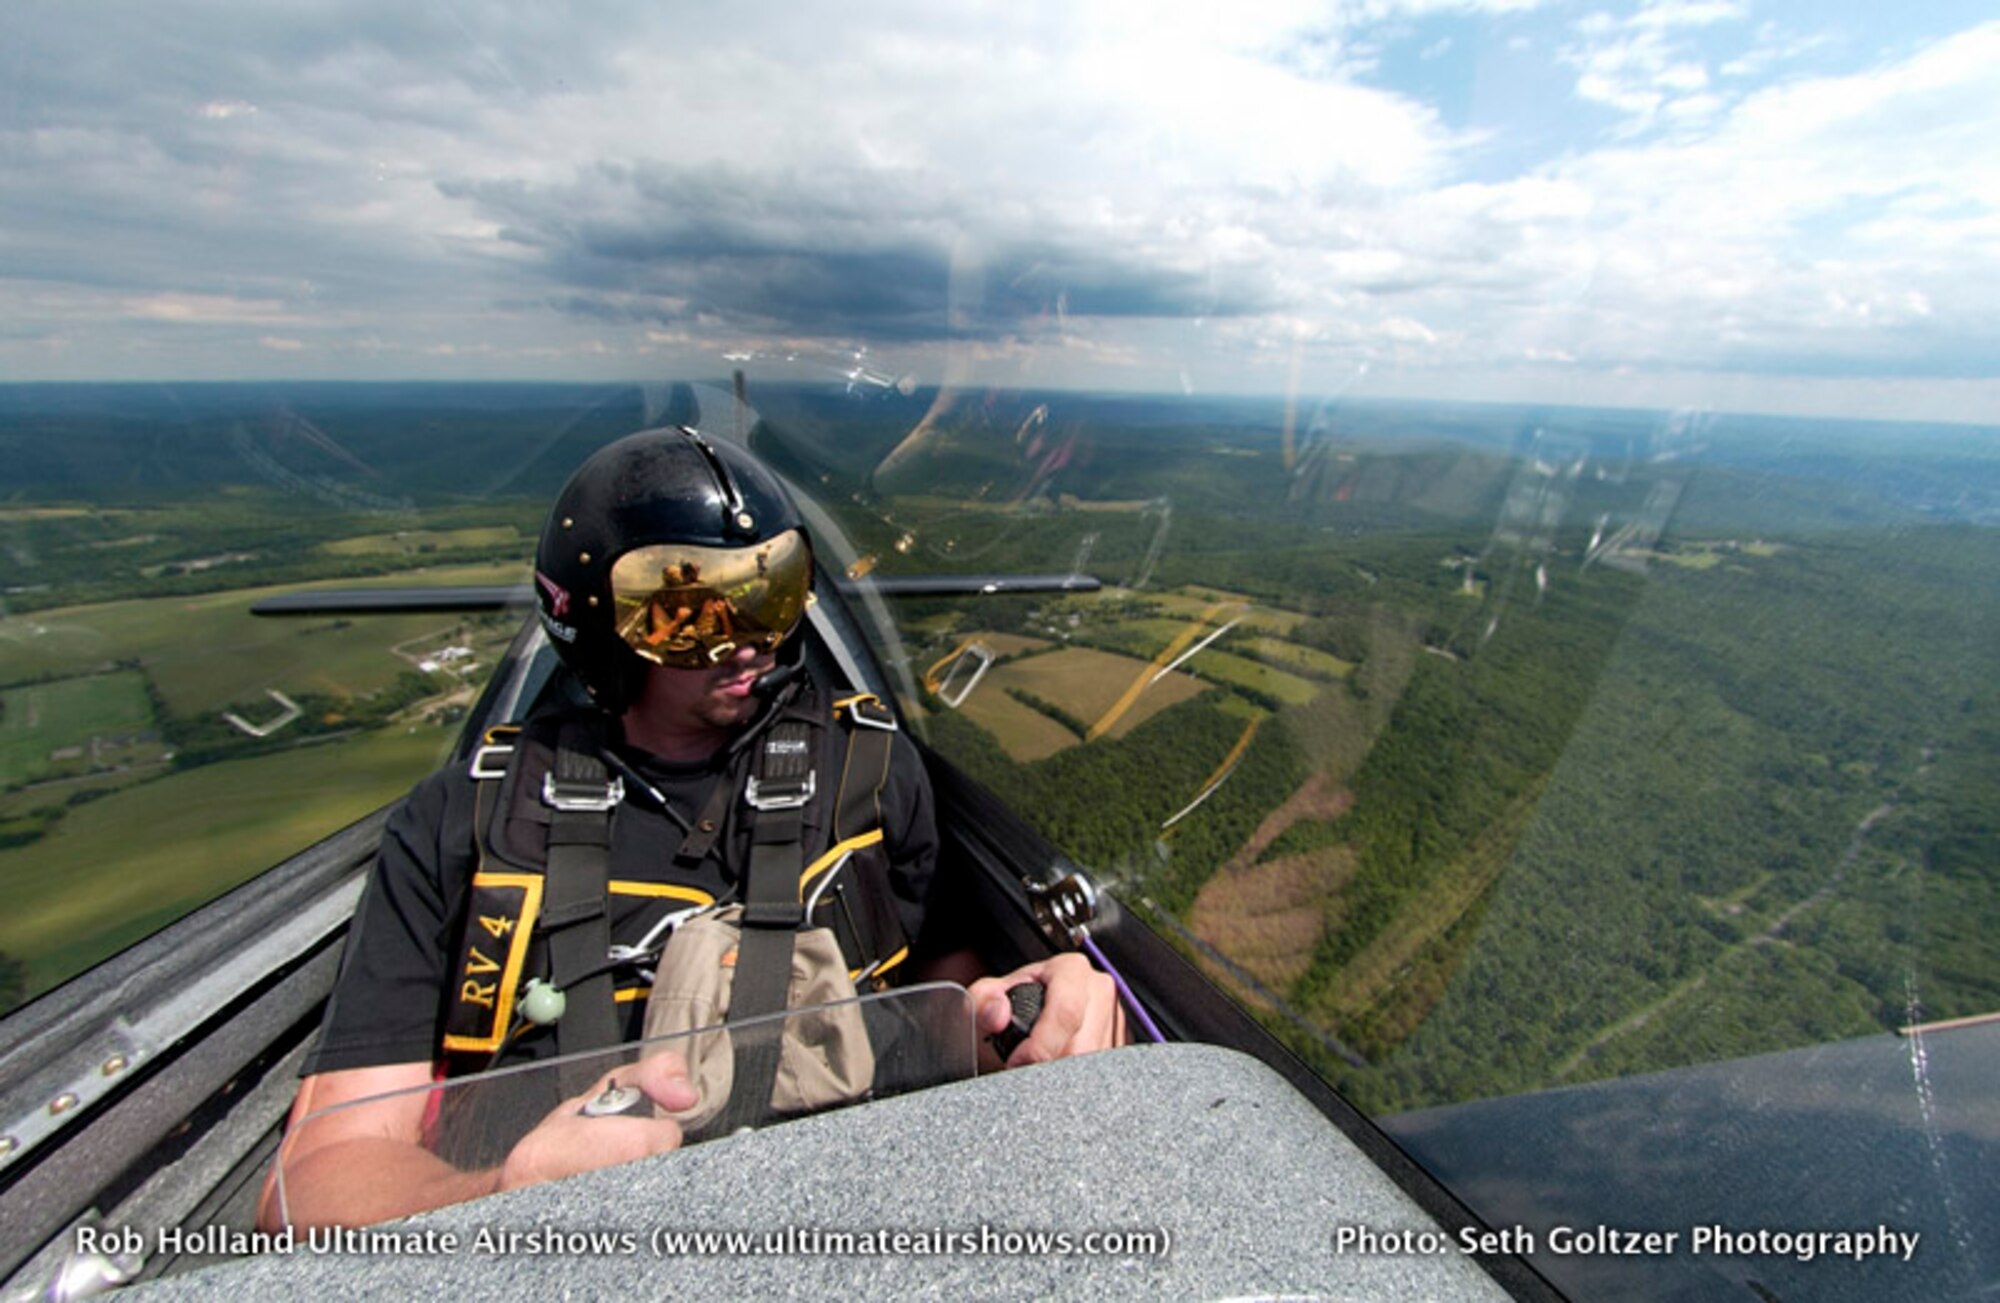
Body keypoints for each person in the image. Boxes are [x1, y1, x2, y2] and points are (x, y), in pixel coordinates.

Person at [259, 426, 1122, 1230]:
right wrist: (503, 1196)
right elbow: (312, 1180)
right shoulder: (465, 824)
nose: (750, 643)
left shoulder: (870, 774)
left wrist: (1021, 1016)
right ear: (597, 625)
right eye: (692, 615)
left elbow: (944, 1002)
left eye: (769, 594)